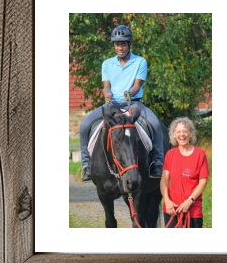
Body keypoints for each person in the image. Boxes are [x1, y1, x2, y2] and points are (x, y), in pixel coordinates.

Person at [79, 25, 164, 181]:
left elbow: (138, 85)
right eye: (117, 44)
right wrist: (107, 94)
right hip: (111, 105)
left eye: (123, 44)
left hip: (133, 104)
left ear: (129, 44)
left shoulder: (140, 62)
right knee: (84, 125)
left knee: (155, 124)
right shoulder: (107, 64)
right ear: (114, 45)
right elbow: (106, 87)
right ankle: (86, 165)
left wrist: (130, 93)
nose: (120, 47)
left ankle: (157, 162)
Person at [160, 117, 209, 228]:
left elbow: (203, 182)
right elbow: (164, 180)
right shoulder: (170, 154)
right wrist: (167, 201)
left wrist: (189, 201)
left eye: (185, 131)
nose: (182, 135)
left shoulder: (200, 154)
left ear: (190, 134)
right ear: (174, 135)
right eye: (178, 132)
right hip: (171, 208)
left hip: (193, 209)